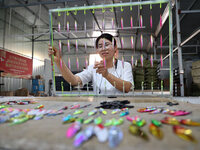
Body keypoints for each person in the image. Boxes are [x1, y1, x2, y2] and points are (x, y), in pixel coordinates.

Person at [48, 33, 133, 95]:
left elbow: (127, 88)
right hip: (100, 108)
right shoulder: (93, 68)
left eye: (107, 45)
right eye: (100, 46)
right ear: (97, 51)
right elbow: (73, 81)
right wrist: (59, 62)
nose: (103, 49)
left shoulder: (125, 65)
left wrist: (106, 75)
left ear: (115, 48)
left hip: (121, 107)